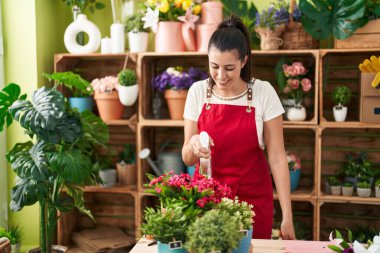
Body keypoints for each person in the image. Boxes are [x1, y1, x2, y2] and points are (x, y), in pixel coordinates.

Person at [182, 15, 296, 240]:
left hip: (252, 200)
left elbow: (277, 158)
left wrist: (287, 216)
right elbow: (187, 158)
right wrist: (193, 144)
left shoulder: (263, 93)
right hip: (208, 200)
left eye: (229, 68)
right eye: (214, 66)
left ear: (243, 61)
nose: (221, 76)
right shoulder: (197, 91)